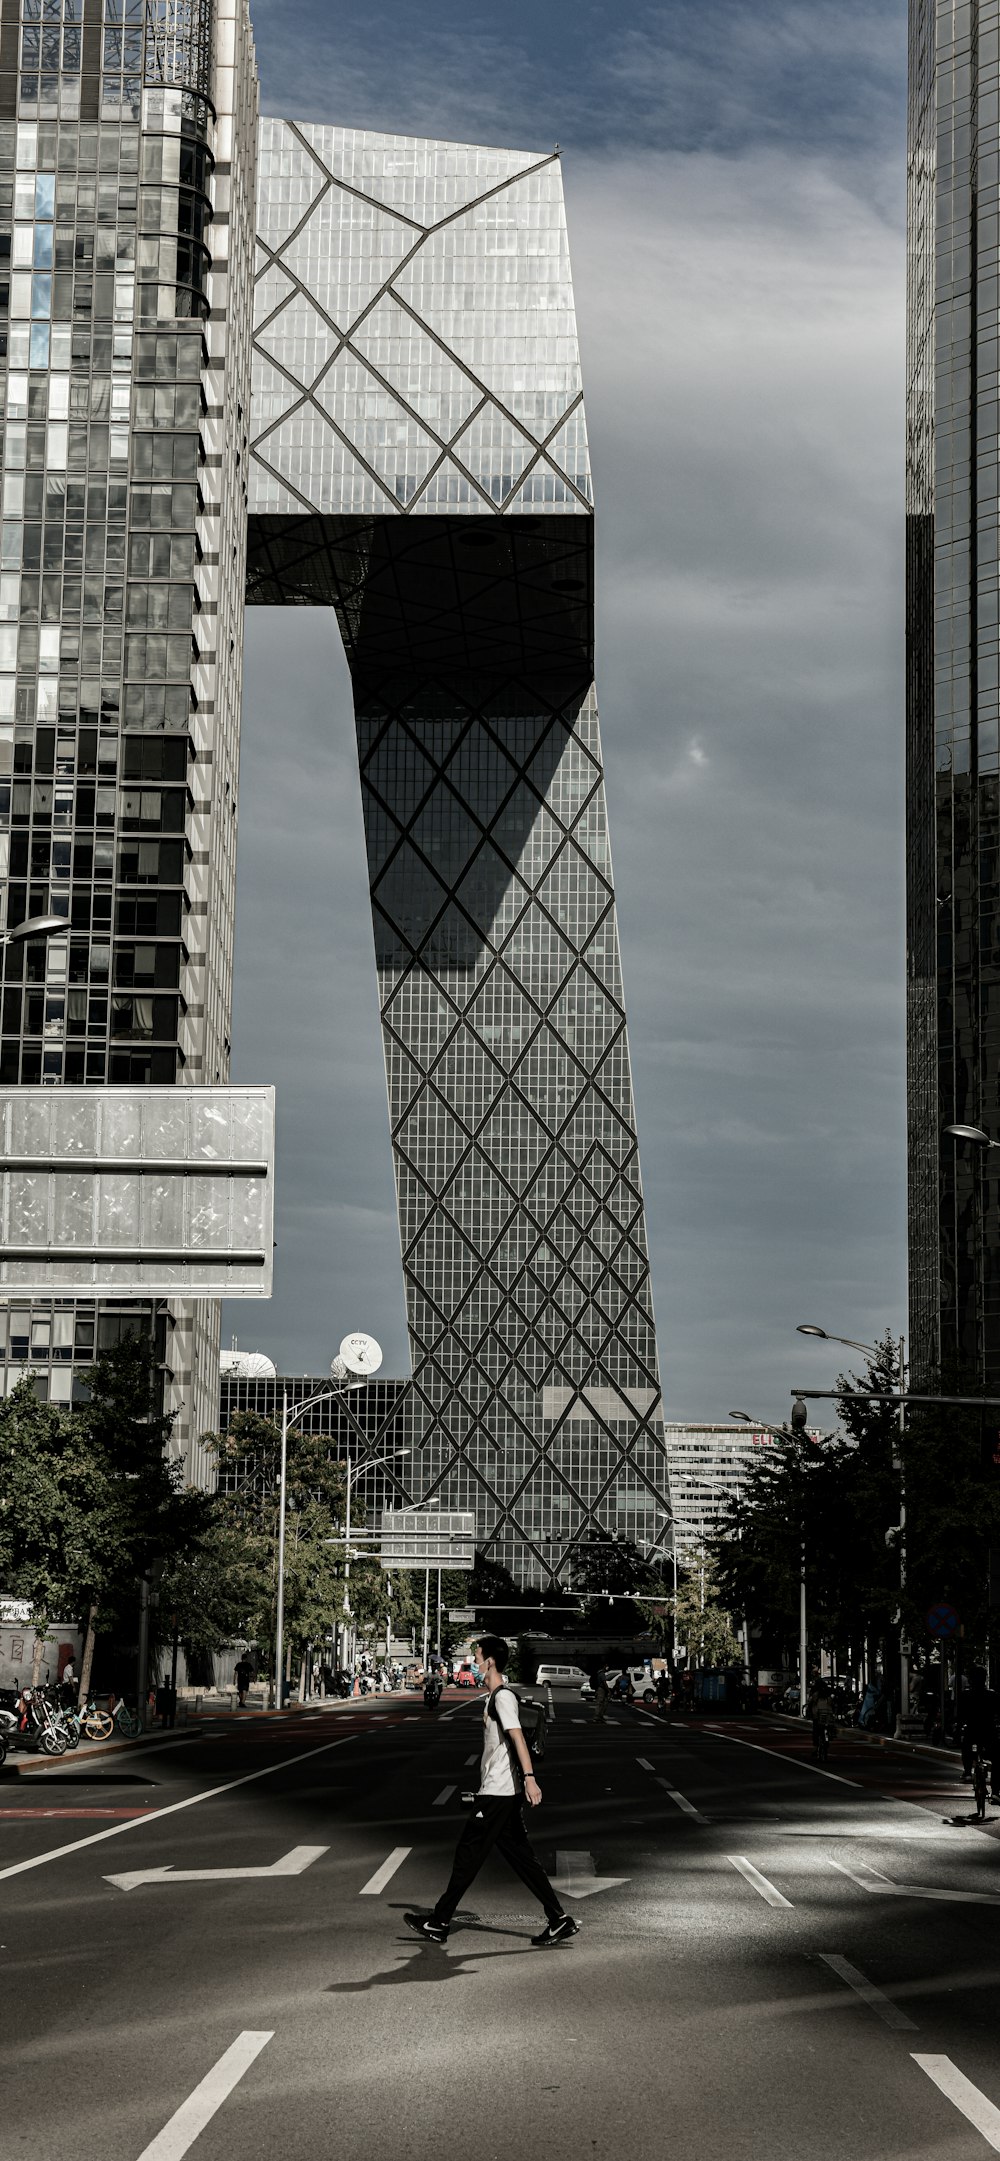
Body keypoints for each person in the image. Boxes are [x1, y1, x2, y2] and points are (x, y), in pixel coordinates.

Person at [404, 1635, 579, 1949]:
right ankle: (558, 1919)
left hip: (498, 1794)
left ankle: (440, 1921)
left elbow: (518, 1739)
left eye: (478, 1654)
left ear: (490, 1661)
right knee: (523, 1859)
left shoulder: (502, 1698)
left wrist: (529, 1777)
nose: (475, 1659)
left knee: (467, 1856)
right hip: (500, 1793)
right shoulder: (494, 1697)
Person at [806, 1675, 835, 1756]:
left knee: (816, 1731)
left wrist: (810, 1712)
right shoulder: (828, 1695)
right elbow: (832, 1704)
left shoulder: (816, 1694)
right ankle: (829, 1737)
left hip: (817, 1715)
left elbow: (811, 1703)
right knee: (829, 1726)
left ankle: (815, 1748)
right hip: (828, 1714)